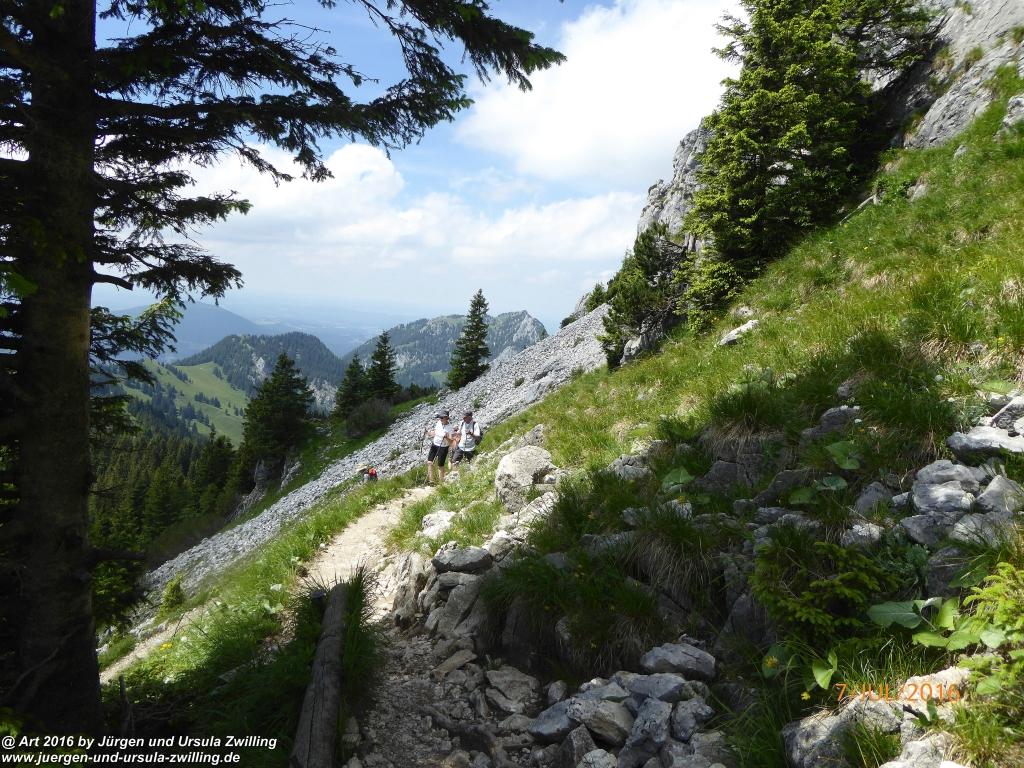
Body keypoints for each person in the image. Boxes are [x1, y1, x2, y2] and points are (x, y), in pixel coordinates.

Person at [423, 410, 456, 484]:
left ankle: (441, 483)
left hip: (443, 447)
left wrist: (446, 437)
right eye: (440, 417)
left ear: (446, 418)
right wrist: (427, 433)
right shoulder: (438, 423)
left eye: (441, 417)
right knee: (429, 462)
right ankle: (431, 481)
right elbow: (435, 432)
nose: (440, 419)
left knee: (440, 465)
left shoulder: (450, 428)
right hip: (434, 444)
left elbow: (452, 442)